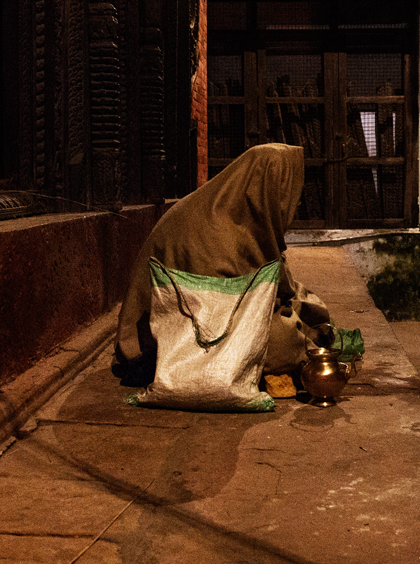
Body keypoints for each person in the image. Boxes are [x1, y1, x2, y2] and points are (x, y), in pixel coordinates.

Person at [114, 143, 331, 386]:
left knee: (304, 304)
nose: (293, 205)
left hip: (205, 316)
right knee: (282, 343)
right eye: (288, 195)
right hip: (170, 337)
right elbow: (213, 318)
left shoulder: (237, 209)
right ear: (268, 188)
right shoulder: (217, 227)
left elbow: (275, 279)